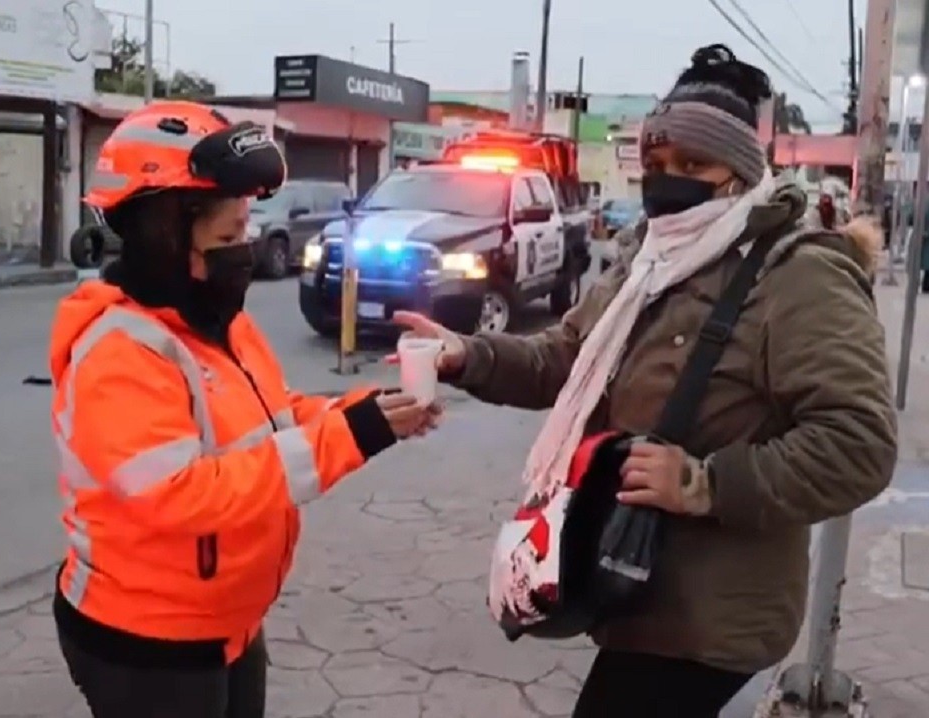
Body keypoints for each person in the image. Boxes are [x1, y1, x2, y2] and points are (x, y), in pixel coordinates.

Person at [395, 45, 896, 717]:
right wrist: (467, 355)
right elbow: (565, 358)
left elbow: (859, 444)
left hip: (712, 618)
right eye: (657, 165)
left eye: (694, 165)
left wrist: (703, 483)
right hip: (634, 583)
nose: (670, 182)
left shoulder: (797, 273)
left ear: (740, 172)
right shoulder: (649, 258)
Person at [49, 101, 440, 718]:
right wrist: (350, 435)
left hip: (225, 625)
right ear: (162, 237)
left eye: (247, 231)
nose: (246, 251)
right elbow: (181, 494)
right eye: (228, 238)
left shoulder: (215, 323)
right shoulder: (118, 352)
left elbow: (271, 417)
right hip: (149, 644)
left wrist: (372, 411)